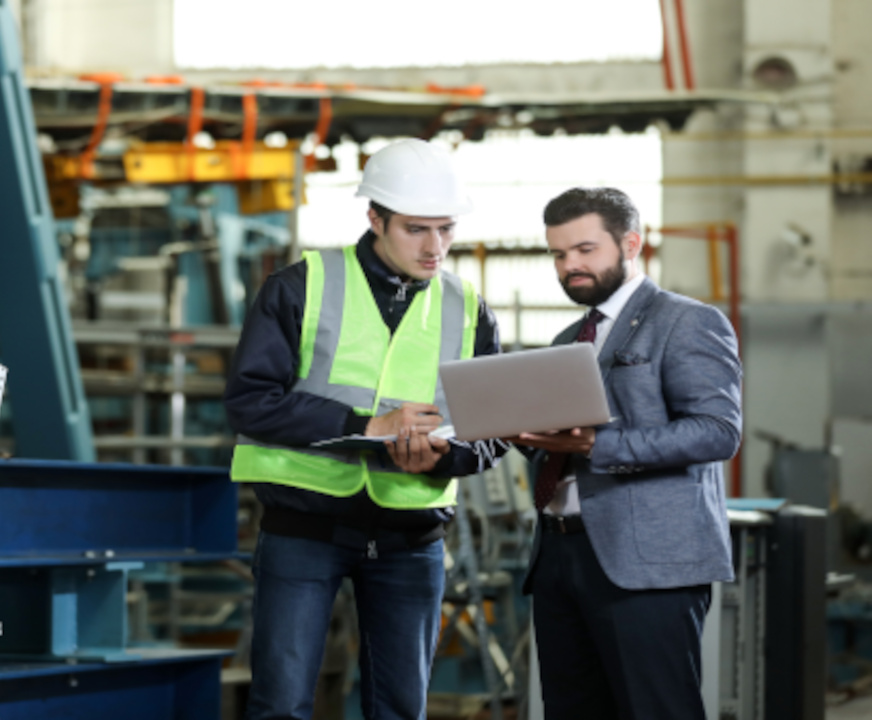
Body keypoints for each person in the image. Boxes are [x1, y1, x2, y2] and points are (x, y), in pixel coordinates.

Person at [224, 138, 504, 720]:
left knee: (401, 709)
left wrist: (445, 457)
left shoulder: (468, 307)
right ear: (374, 217)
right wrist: (366, 425)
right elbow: (251, 401)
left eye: (447, 230)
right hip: (305, 526)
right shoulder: (301, 286)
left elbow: (493, 427)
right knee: (280, 705)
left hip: (412, 536)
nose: (436, 248)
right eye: (416, 229)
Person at [517, 187, 741, 719]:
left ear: (631, 244)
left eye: (585, 250)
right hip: (559, 554)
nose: (569, 265)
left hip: (645, 563)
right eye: (558, 254)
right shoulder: (569, 339)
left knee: (656, 710)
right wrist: (524, 434)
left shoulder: (686, 321)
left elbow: (717, 431)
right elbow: (564, 448)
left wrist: (597, 443)